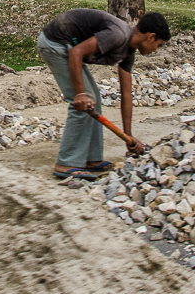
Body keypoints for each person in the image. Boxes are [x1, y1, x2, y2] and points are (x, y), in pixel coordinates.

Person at [38, 9, 170, 181]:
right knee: (84, 102)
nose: (155, 50)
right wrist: (80, 94)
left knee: (93, 100)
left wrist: (128, 137)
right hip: (55, 42)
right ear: (151, 37)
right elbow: (76, 53)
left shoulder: (128, 52)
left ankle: (91, 158)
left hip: (69, 46)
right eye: (159, 45)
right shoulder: (118, 35)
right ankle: (66, 163)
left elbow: (126, 94)